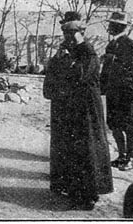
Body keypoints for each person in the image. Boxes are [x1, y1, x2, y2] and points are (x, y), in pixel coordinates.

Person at [43, 11, 113, 210]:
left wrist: (65, 64)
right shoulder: (63, 52)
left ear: (80, 35)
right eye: (66, 35)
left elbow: (80, 74)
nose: (68, 39)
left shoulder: (88, 53)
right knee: (69, 149)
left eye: (72, 35)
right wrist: (59, 63)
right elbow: (52, 80)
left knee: (86, 150)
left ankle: (88, 194)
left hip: (86, 111)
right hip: (68, 109)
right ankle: (69, 187)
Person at [100, 11, 133, 172]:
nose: (109, 27)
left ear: (119, 26)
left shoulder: (130, 44)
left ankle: (131, 158)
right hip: (112, 91)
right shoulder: (111, 45)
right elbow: (106, 70)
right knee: (113, 123)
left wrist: (114, 60)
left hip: (125, 91)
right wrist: (102, 87)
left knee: (128, 124)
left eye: (112, 24)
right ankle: (121, 155)